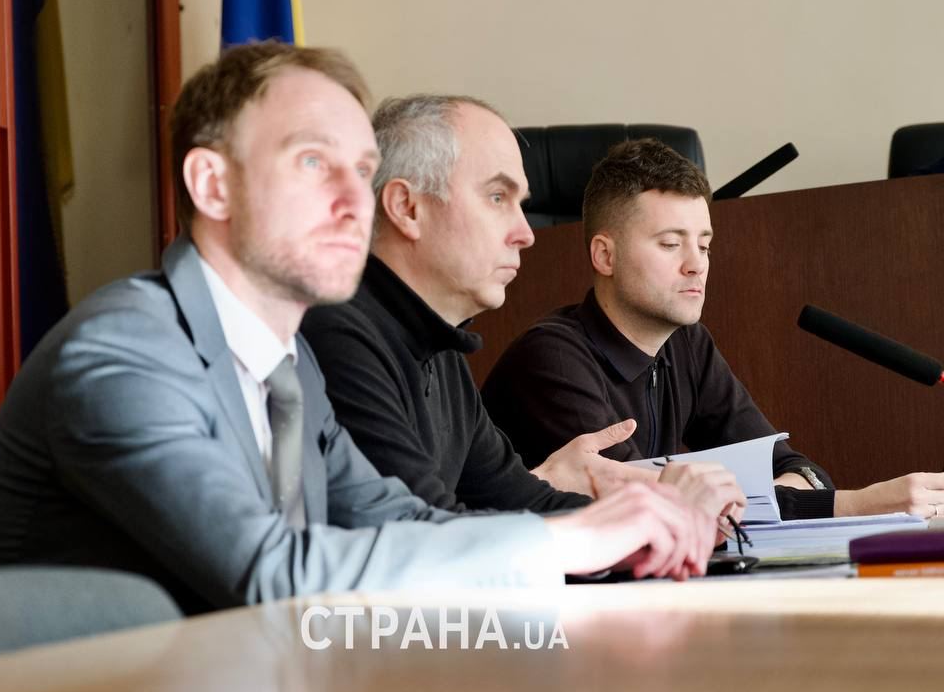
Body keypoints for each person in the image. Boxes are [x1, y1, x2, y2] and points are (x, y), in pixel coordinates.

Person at [0, 44, 718, 615]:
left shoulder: (287, 365)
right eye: (315, 164)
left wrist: (626, 529)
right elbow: (273, 574)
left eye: (361, 170)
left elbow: (401, 520)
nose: (357, 201)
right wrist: (571, 540)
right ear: (212, 185)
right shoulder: (125, 353)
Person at [300, 95, 743, 523]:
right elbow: (428, 537)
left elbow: (521, 499)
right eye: (498, 197)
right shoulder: (339, 334)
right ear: (407, 207)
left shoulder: (443, 350)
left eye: (522, 204)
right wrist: (654, 518)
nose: (525, 234)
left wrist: (653, 522)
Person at [482, 138, 944, 519]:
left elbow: (794, 466)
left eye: (704, 245)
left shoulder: (687, 342)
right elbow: (653, 506)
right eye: (670, 244)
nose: (696, 265)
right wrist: (854, 505)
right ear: (605, 255)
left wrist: (761, 498)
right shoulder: (551, 361)